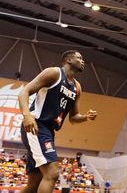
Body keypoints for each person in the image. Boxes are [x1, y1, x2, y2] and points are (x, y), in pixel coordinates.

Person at [19, 50, 97, 193]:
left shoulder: (77, 87)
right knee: (52, 173)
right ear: (68, 60)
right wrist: (27, 116)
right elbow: (24, 92)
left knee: (34, 183)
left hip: (48, 131)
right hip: (36, 125)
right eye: (79, 58)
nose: (83, 61)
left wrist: (86, 117)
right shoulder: (54, 73)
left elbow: (73, 117)